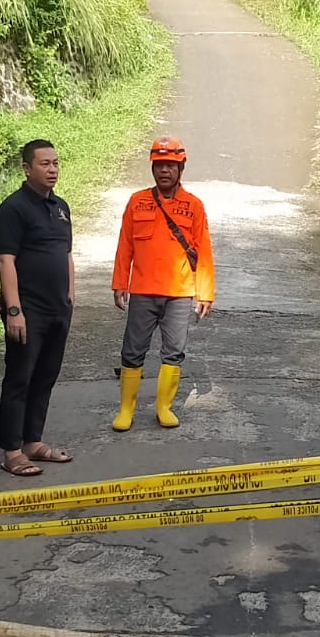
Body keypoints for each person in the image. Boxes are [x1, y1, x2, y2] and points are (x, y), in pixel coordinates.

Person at [110, 136, 215, 431]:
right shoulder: (137, 201)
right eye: (159, 165)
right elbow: (125, 245)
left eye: (170, 165)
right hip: (143, 290)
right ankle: (126, 410)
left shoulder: (193, 206)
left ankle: (163, 408)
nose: (164, 171)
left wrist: (205, 292)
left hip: (180, 294)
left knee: (174, 351)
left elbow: (204, 251)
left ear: (180, 167)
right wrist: (120, 282)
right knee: (132, 351)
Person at [0, 139, 75, 477]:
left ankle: (33, 442)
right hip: (28, 310)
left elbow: (66, 253)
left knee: (46, 376)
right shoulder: (12, 209)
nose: (52, 169)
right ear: (27, 169)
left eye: (56, 163)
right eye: (45, 163)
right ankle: (12, 450)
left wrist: (70, 295)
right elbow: (5, 260)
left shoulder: (61, 207)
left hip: (58, 309)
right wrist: (14, 310)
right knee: (20, 379)